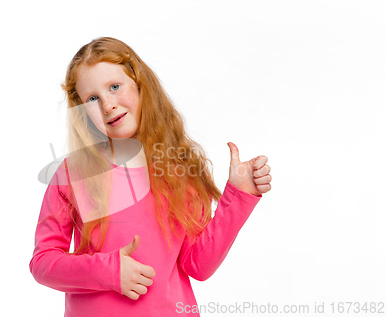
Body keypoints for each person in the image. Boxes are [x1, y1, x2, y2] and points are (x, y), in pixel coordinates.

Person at [29, 37, 272, 316]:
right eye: (92, 99)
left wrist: (239, 196)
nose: (107, 105)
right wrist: (109, 271)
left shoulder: (180, 168)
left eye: (115, 87)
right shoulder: (72, 175)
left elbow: (199, 266)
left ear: (140, 84)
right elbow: (43, 263)